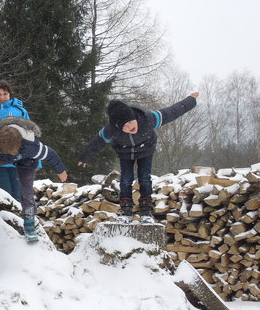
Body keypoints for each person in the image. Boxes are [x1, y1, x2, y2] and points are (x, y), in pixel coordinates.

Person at [78, 92, 200, 222]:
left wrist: (191, 100)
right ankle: (125, 210)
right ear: (118, 126)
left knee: (144, 178)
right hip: (125, 152)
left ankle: (146, 210)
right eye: (126, 125)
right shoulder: (111, 130)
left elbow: (171, 112)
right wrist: (85, 157)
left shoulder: (147, 119)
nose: (131, 127)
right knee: (126, 179)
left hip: (146, 149)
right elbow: (97, 142)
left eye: (131, 121)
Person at [0, 117, 68, 243]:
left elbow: (52, 155)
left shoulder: (33, 146)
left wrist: (61, 171)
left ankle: (29, 226)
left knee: (26, 191)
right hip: (7, 154)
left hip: (27, 161)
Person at [0, 80, 30, 201]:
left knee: (19, 194)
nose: (2, 97)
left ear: (10, 95)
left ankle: (20, 219)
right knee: (5, 194)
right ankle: (7, 219)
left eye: (5, 94)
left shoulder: (21, 111)